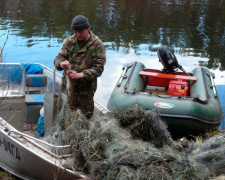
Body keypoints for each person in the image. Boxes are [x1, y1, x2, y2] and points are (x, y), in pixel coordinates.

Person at [54, 15, 106, 119]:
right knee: (63, 117)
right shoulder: (69, 41)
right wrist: (61, 64)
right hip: (67, 89)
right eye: (75, 31)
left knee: (83, 121)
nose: (78, 34)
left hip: (85, 93)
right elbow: (57, 59)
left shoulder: (97, 45)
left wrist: (80, 75)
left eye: (80, 31)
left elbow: (98, 69)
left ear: (88, 29)